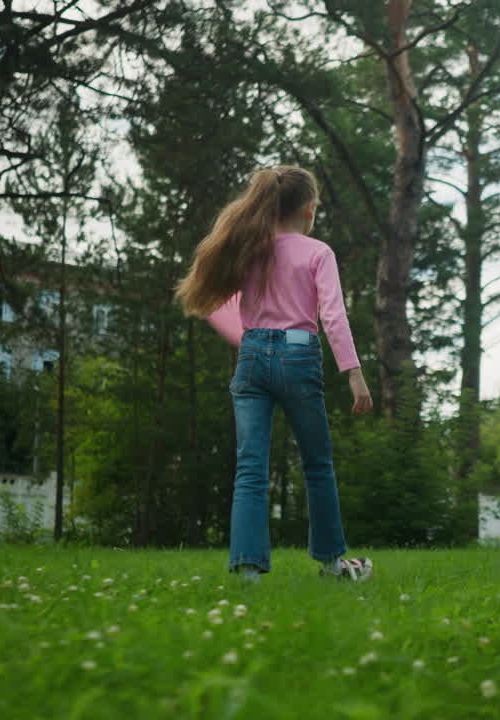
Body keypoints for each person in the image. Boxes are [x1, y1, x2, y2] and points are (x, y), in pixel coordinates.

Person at [175, 165, 375, 582]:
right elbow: (334, 317)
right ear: (309, 210)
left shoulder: (248, 248)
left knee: (250, 468)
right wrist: (353, 373)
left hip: (251, 355)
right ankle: (333, 564)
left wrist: (251, 337)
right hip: (298, 357)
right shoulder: (318, 253)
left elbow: (224, 309)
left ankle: (248, 573)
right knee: (317, 465)